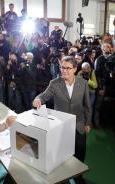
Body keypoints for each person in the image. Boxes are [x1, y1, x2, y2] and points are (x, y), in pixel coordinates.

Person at [33, 56, 91, 184]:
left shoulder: (83, 83)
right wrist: (38, 99)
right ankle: (62, 179)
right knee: (61, 157)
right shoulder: (55, 83)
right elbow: (44, 95)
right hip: (61, 126)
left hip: (79, 125)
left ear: (75, 69)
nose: (64, 71)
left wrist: (87, 123)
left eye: (68, 68)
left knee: (80, 154)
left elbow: (87, 105)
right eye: (62, 68)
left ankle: (78, 177)